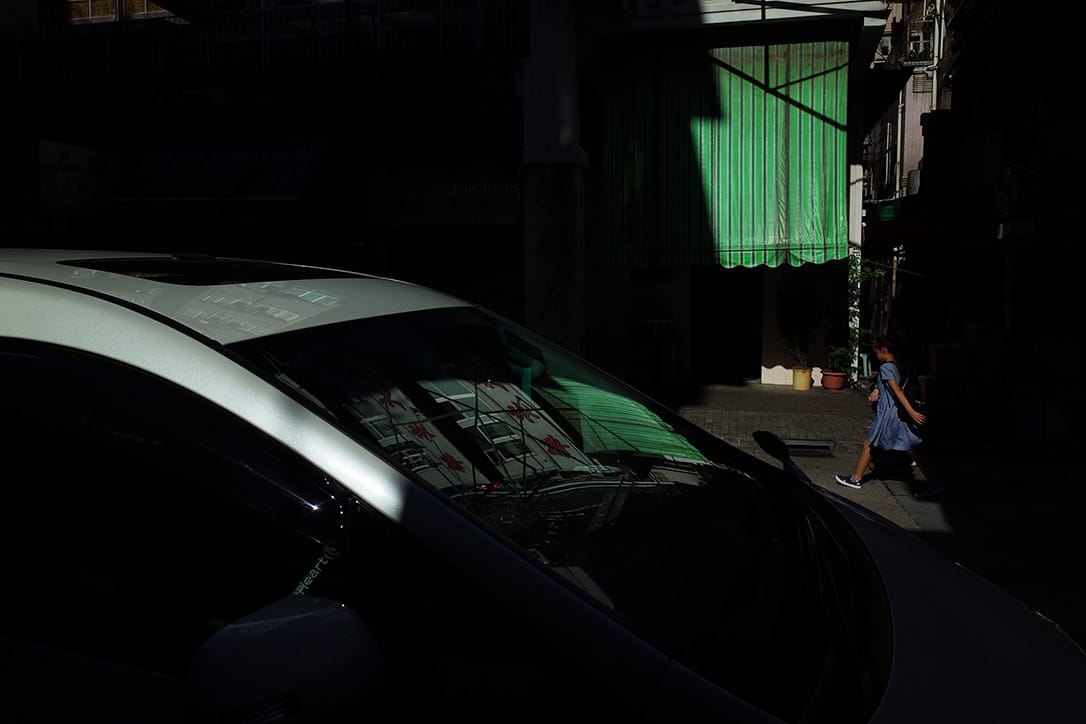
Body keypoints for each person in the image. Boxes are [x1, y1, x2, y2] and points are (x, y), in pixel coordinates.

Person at [835, 334, 942, 498]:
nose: (875, 355)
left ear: (883, 350)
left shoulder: (886, 368)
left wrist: (912, 412)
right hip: (897, 415)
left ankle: (856, 479)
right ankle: (933, 483)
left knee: (871, 444)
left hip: (889, 415)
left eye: (876, 351)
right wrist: (878, 389)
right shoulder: (900, 365)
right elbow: (892, 386)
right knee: (908, 449)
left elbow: (897, 391)